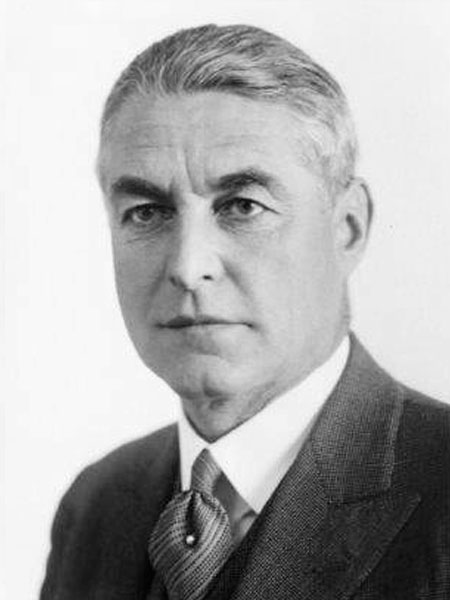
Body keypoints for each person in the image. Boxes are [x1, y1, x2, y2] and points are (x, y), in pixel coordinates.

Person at [40, 24, 450, 600]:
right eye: (147, 212)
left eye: (242, 206)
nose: (188, 267)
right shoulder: (96, 507)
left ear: (348, 227)